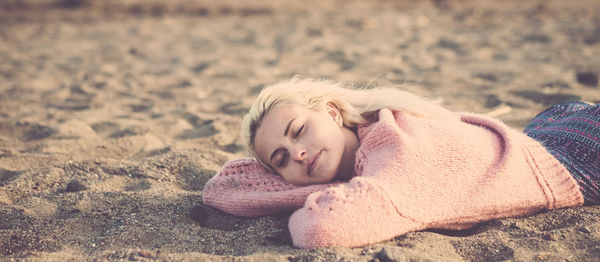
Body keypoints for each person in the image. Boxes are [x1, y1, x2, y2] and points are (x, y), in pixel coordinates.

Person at [203, 78, 599, 248]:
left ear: (332, 113)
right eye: (281, 158)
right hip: (546, 126)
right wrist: (290, 177)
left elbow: (322, 228)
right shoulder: (365, 148)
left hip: (580, 155)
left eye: (298, 130)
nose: (298, 153)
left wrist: (301, 189)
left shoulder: (397, 146)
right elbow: (223, 188)